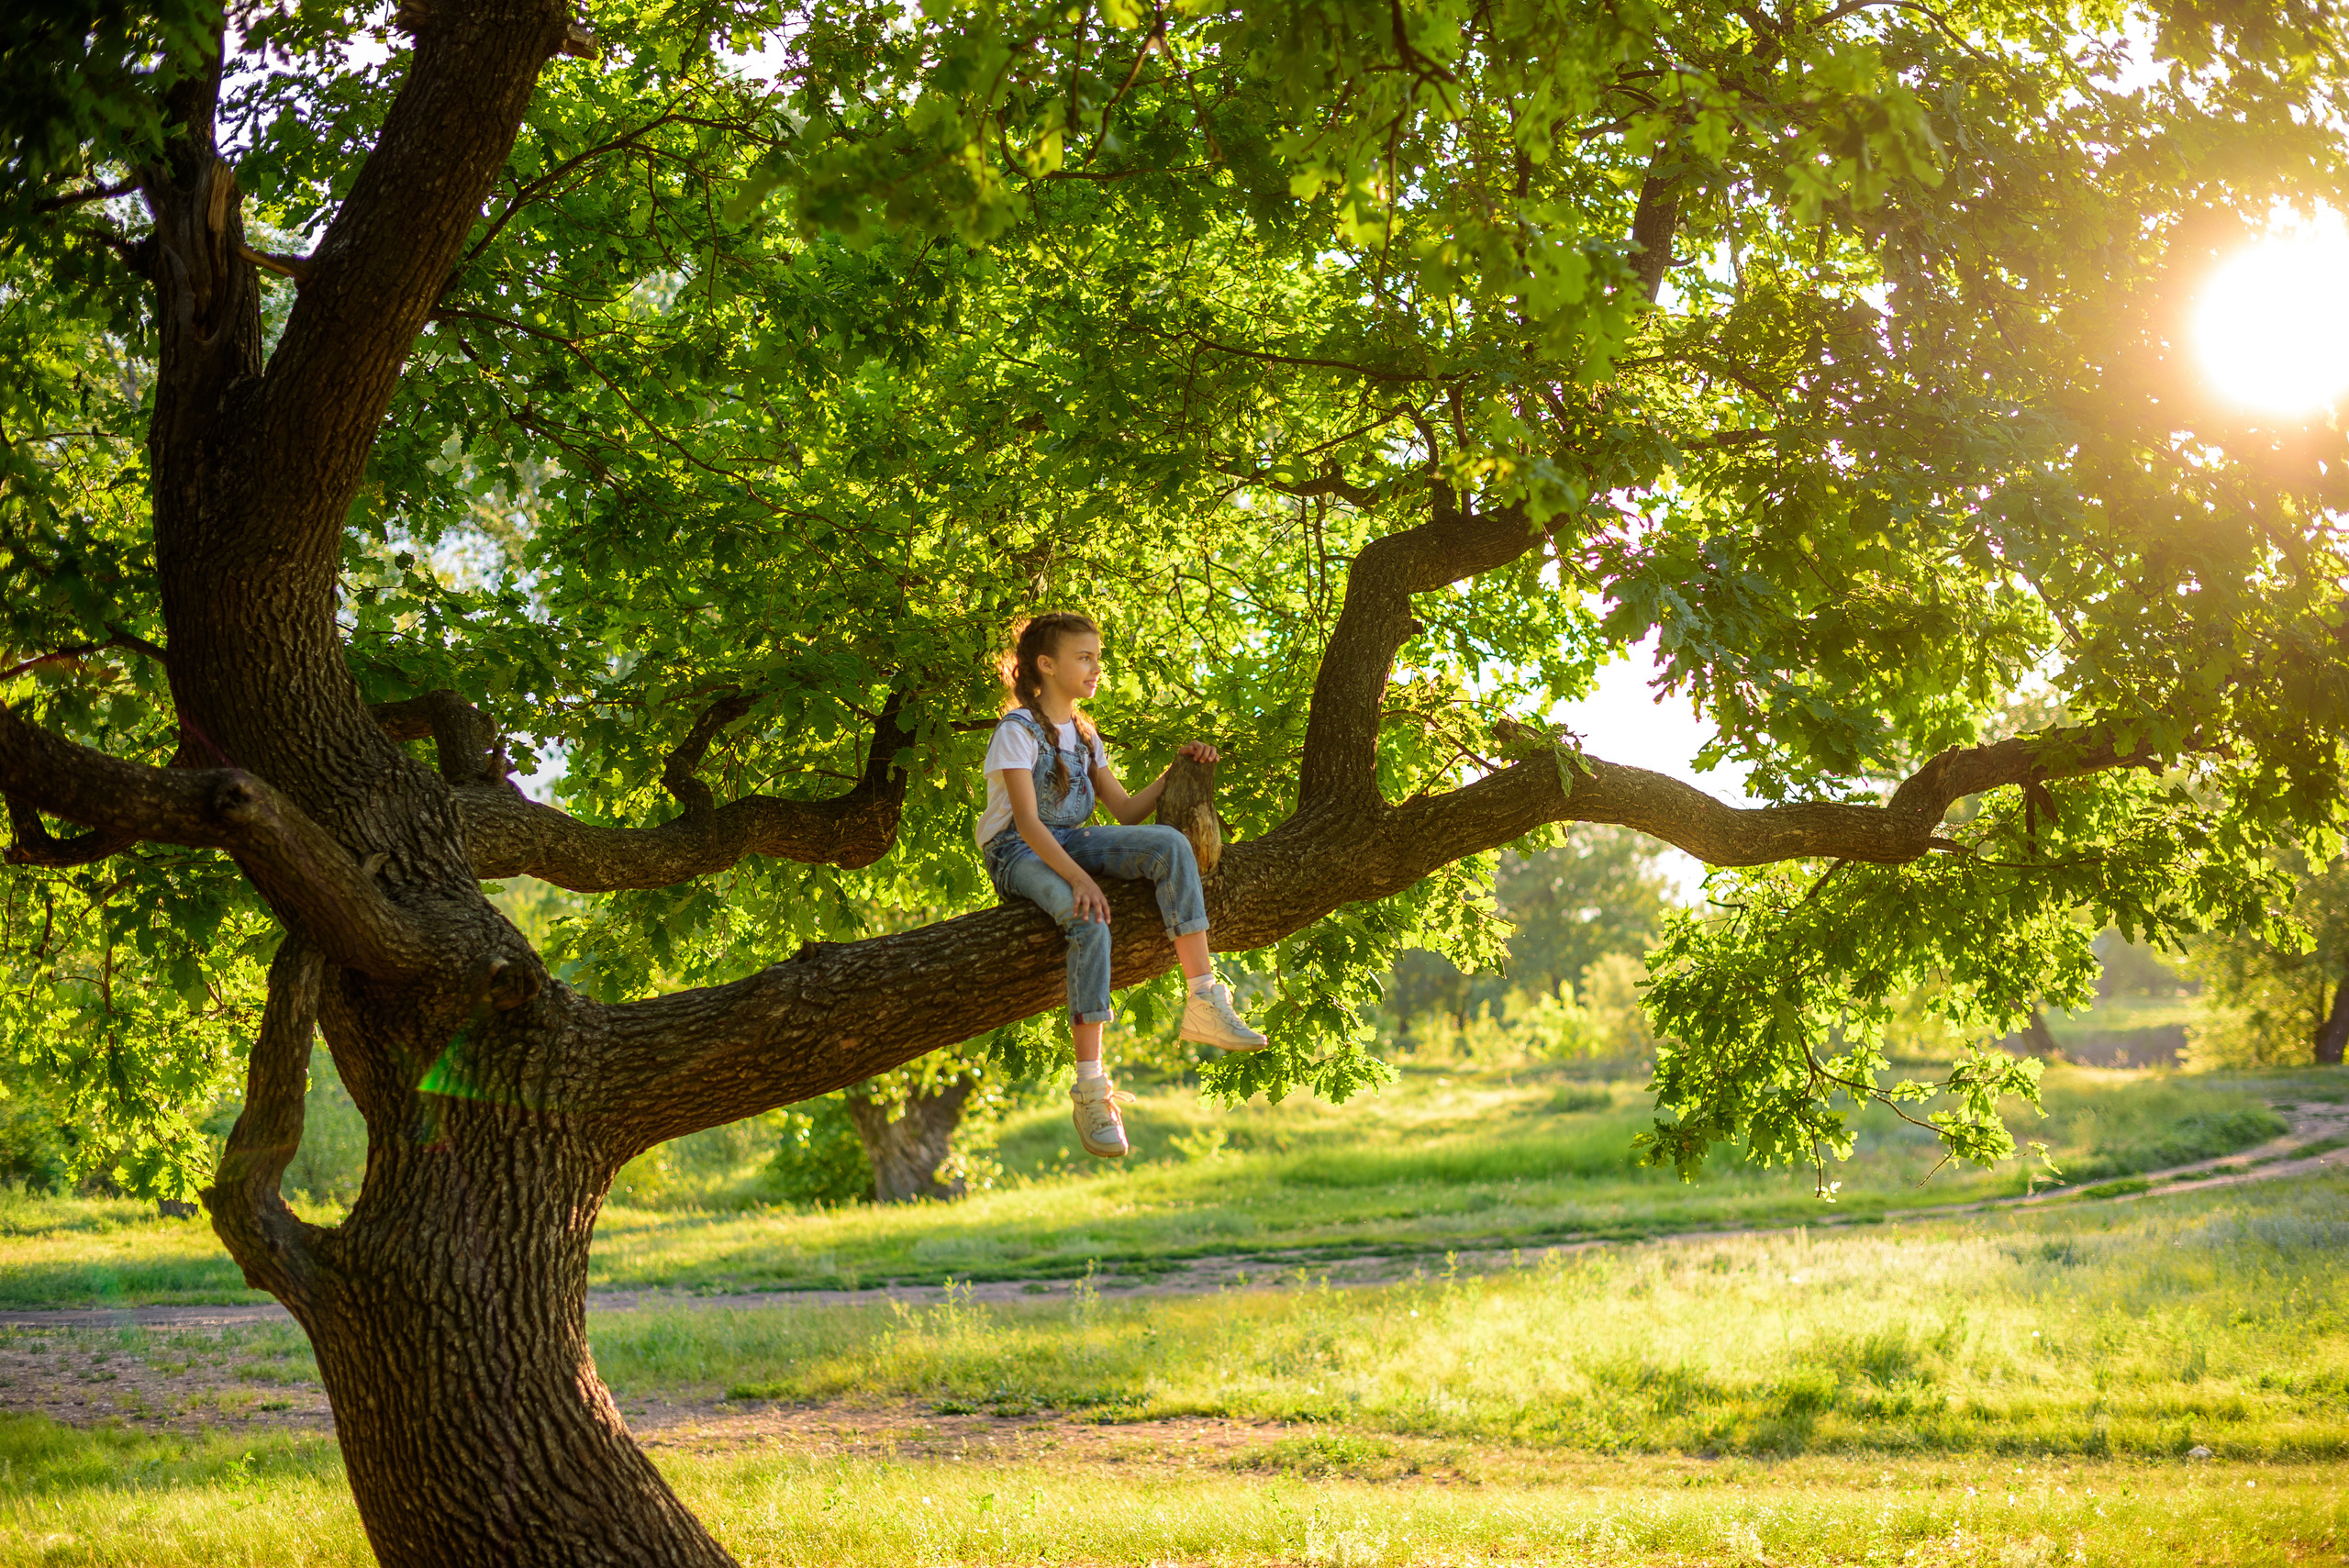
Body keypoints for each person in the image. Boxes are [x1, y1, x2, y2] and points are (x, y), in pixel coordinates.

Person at [977, 611, 1268, 1159]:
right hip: (1018, 850)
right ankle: (1090, 1090)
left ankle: (1205, 998)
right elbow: (1028, 824)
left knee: (1169, 844)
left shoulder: (1085, 736)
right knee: (1089, 920)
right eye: (1084, 657)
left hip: (1070, 841)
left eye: (1098, 657)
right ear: (1047, 665)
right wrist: (1080, 880)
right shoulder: (1015, 732)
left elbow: (1128, 812)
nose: (1096, 668)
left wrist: (1176, 771)